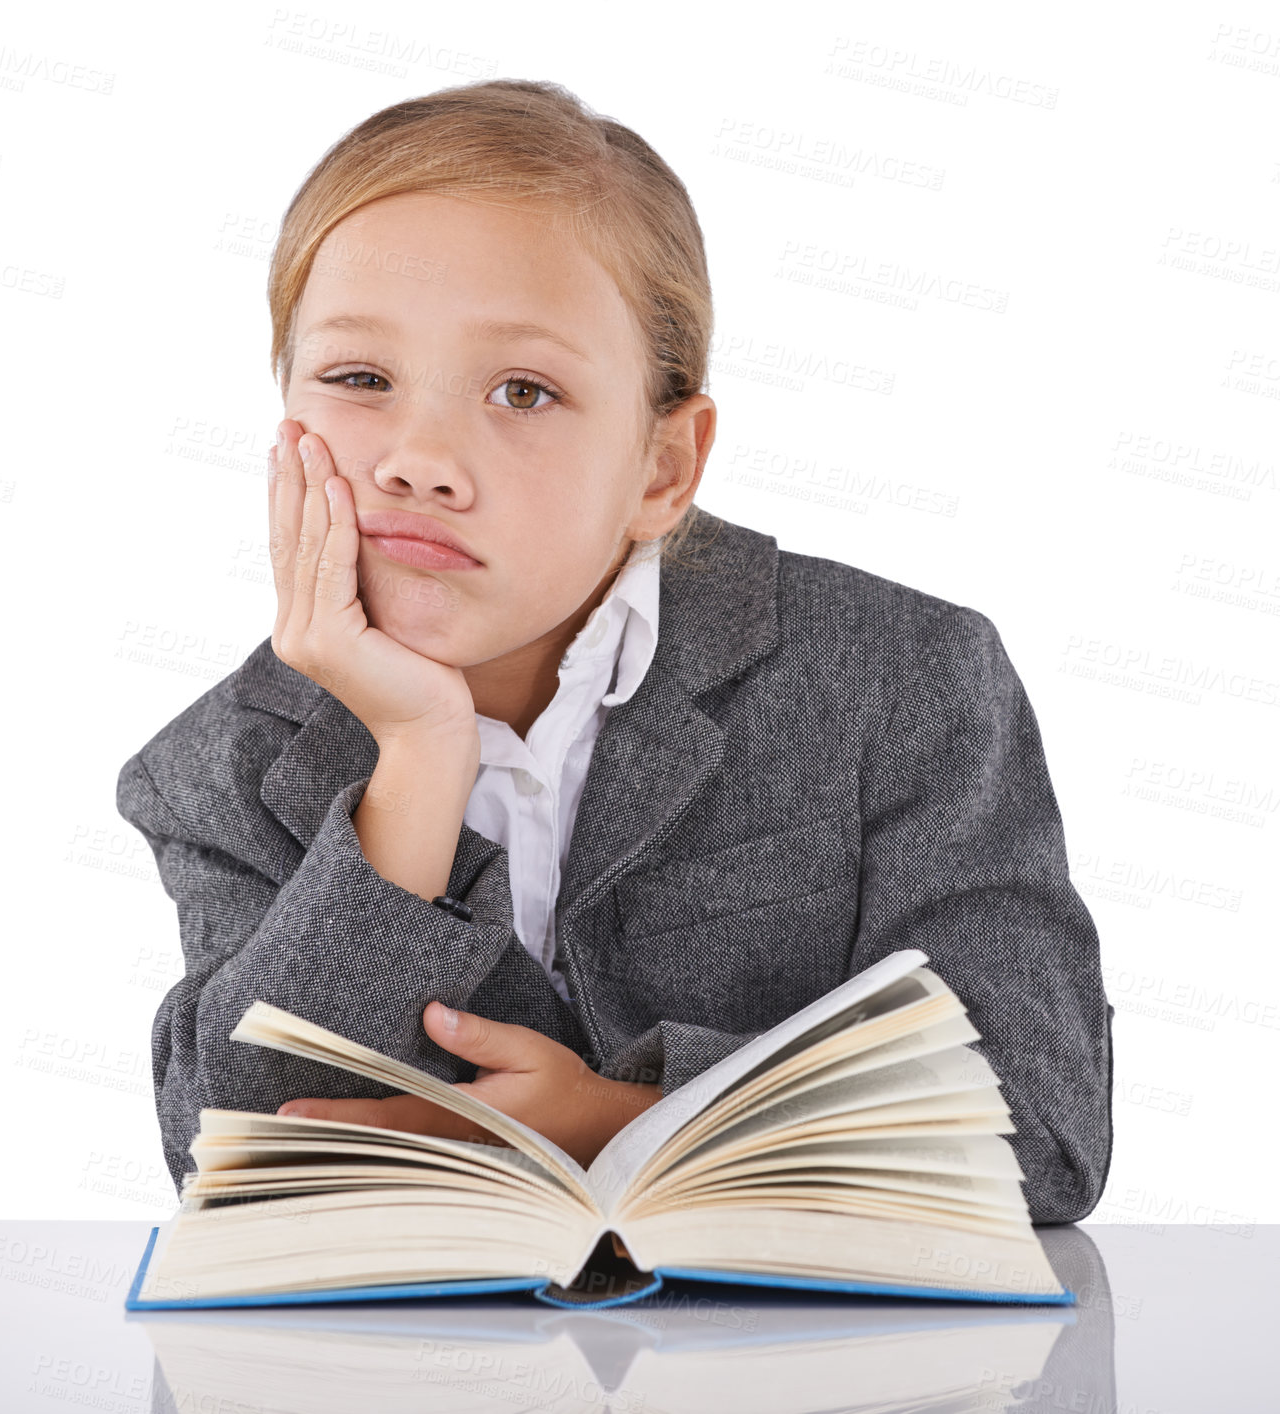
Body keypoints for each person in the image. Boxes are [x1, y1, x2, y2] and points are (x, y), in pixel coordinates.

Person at [116, 78, 1113, 1222]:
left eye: (523, 390)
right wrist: (416, 758)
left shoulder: (906, 679)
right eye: (359, 379)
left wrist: (626, 1112)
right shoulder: (219, 765)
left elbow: (1040, 1124)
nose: (418, 459)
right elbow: (235, 1159)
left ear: (661, 469)